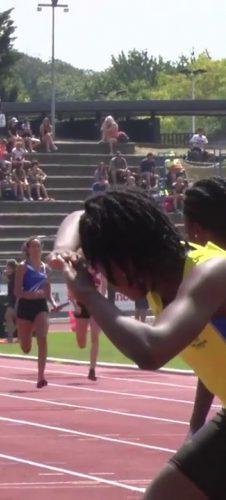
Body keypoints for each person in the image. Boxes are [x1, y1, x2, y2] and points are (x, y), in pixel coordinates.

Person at [50, 185, 226, 499]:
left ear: (124, 259)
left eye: (104, 269)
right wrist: (63, 250)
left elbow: (150, 350)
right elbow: (79, 216)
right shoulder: (164, 285)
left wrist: (88, 293)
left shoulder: (210, 272)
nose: (104, 278)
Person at [14, 236, 61, 388]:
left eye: (38, 246)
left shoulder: (46, 268)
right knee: (26, 348)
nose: (36, 249)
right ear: (27, 249)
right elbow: (17, 291)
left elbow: (47, 289)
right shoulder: (22, 267)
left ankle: (41, 376)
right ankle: (25, 333)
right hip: (25, 306)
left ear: (41, 249)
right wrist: (31, 294)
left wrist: (53, 303)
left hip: (40, 306)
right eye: (33, 246)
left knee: (42, 338)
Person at [68, 268, 105, 381]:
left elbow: (104, 288)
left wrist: (102, 302)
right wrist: (75, 305)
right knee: (81, 343)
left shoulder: (100, 270)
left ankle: (92, 370)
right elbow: (72, 288)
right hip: (81, 305)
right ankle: (91, 368)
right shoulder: (80, 269)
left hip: (95, 306)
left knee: (95, 338)